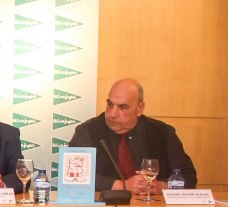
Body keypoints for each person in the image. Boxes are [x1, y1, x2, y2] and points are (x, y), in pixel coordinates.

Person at [68, 78, 197, 193]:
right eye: (110, 104)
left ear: (139, 109)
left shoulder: (162, 133)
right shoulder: (88, 131)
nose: (112, 114)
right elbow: (71, 177)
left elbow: (188, 177)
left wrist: (161, 187)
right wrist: (121, 185)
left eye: (122, 107)